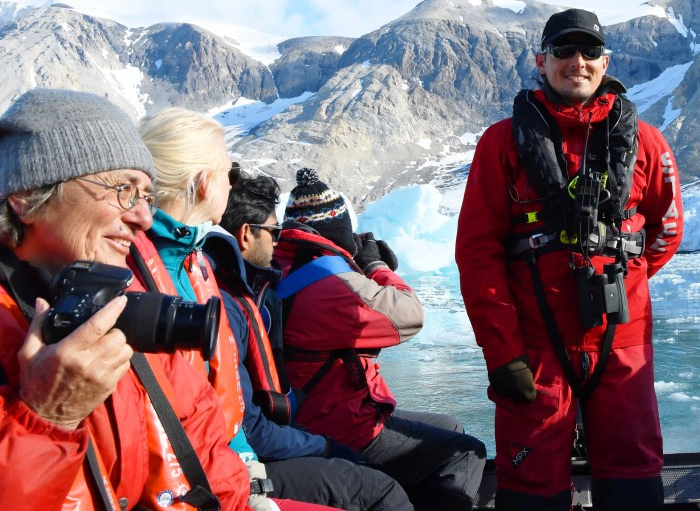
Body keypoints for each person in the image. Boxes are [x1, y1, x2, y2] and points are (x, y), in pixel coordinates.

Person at [455, 8, 685, 510]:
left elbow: (665, 230)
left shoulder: (646, 142)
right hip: (534, 352)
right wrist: (503, 354)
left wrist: (625, 279)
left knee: (634, 483)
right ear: (542, 60)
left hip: (622, 346)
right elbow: (477, 255)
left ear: (606, 62)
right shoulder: (500, 144)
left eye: (588, 52)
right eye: (563, 50)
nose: (576, 61)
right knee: (530, 491)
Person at [137, 108, 401, 511]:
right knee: (384, 492)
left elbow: (219, 406)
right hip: (192, 483)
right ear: (205, 183)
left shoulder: (197, 266)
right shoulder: (161, 274)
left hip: (227, 465)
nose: (232, 182)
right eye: (229, 171)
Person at [0, 88, 250, 510]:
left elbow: (201, 432)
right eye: (123, 190)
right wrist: (47, 416)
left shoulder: (117, 295)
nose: (144, 217)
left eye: (147, 197)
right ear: (26, 196)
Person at [274, 167, 487, 510]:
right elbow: (409, 315)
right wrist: (375, 267)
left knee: (452, 426)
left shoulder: (286, 269)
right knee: (467, 453)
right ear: (338, 230)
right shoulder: (332, 286)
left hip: (307, 415)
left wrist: (355, 266)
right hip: (340, 425)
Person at [213, 170, 413, 511]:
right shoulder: (233, 306)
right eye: (274, 233)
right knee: (387, 489)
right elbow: (409, 315)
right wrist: (375, 265)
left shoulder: (256, 291)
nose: (279, 242)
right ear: (246, 235)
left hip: (286, 428)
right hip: (253, 452)